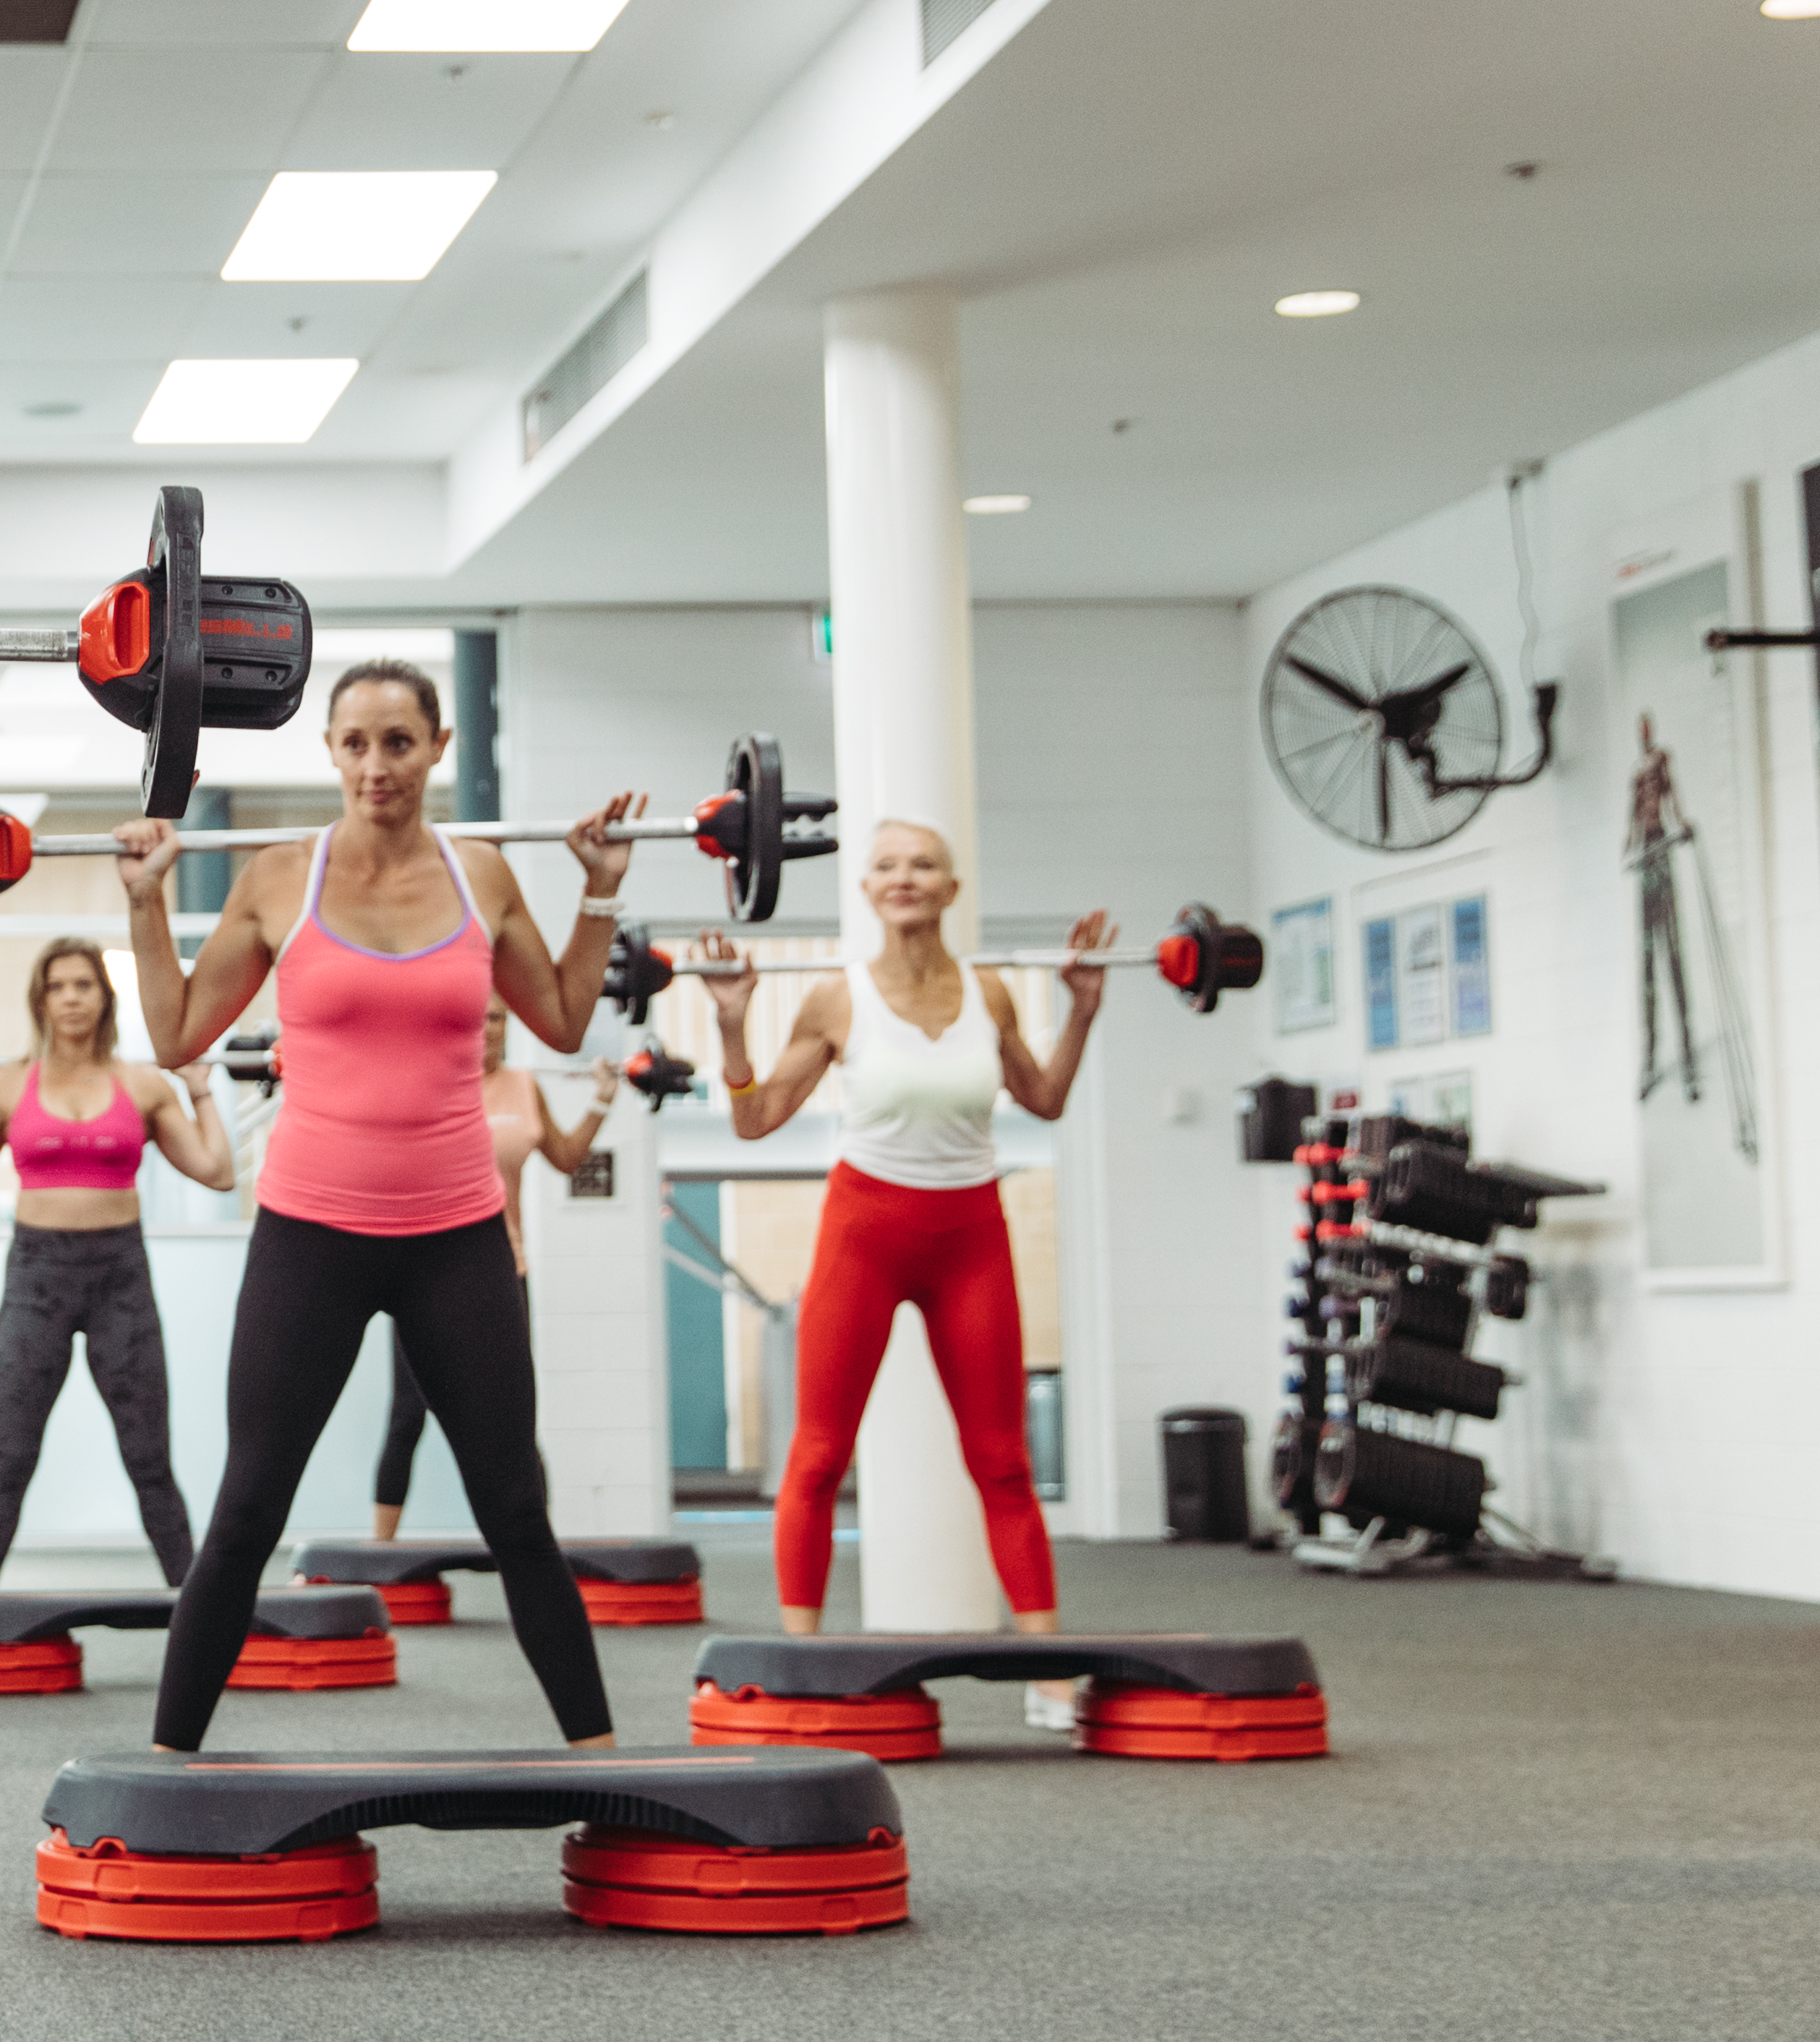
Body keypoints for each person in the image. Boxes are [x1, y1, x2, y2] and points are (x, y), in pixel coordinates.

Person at [115, 659, 638, 1756]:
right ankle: (166, 1768)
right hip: (311, 1232)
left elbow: (556, 1016)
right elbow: (174, 1036)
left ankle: (603, 1759)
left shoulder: (482, 874)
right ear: (330, 754)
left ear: (437, 749)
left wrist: (598, 890)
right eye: (354, 743)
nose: (375, 766)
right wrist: (145, 903)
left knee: (514, 1509)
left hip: (457, 1234)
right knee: (250, 1508)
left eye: (398, 742)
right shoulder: (276, 877)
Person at [691, 827, 1106, 1713]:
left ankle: (1049, 1674)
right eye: (887, 865)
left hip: (969, 1234)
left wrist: (1082, 1008)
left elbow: (1045, 1099)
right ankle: (798, 1667)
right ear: (866, 888)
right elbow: (755, 1118)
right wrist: (731, 1026)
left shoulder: (990, 992)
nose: (904, 878)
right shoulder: (836, 1000)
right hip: (865, 1232)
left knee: (1001, 1458)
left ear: (951, 887)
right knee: (817, 1454)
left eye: (922, 865)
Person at [0, 936, 236, 1589]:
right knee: (10, 1458)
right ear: (41, 999)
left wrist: (200, 1091)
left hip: (120, 1272)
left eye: (82, 985)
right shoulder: (9, 1084)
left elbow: (217, 1171)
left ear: (103, 997)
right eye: (57, 986)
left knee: (149, 1458)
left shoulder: (143, 1085)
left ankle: (195, 1615)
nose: (70, 997)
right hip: (37, 1274)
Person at [367, 1005, 612, 1539]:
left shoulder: (525, 1086)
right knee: (408, 1413)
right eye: (477, 1017)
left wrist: (601, 1100)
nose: (489, 1028)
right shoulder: (426, 1085)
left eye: (498, 1018)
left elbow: (567, 1157)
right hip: (422, 1272)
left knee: (514, 1419)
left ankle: (533, 1552)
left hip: (505, 1268)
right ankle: (378, 1554)